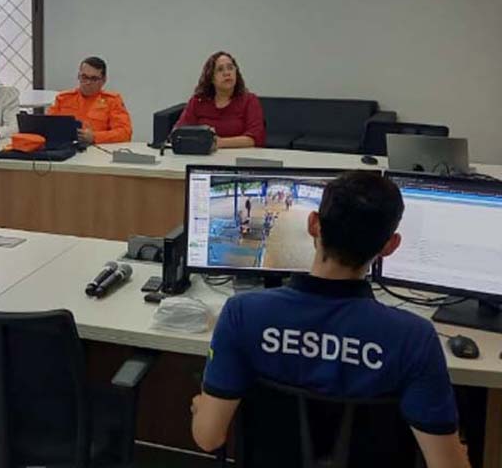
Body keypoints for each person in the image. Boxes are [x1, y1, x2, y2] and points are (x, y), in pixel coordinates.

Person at [191, 171, 470, 468]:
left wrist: (201, 410)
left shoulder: (242, 315)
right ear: (390, 246)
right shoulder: (415, 338)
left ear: (314, 224)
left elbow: (208, 439)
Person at [174, 51, 265, 148]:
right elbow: (178, 132)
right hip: (203, 158)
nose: (227, 73)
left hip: (239, 157)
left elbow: (256, 138)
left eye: (230, 68)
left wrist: (217, 142)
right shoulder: (198, 101)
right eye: (220, 70)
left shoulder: (249, 100)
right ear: (211, 78)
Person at [48, 56, 132, 144]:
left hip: (98, 150)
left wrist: (94, 137)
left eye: (94, 79)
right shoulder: (63, 98)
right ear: (78, 76)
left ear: (103, 80)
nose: (88, 82)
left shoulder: (112, 101)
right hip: (66, 148)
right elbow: (47, 126)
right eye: (84, 77)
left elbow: (125, 133)